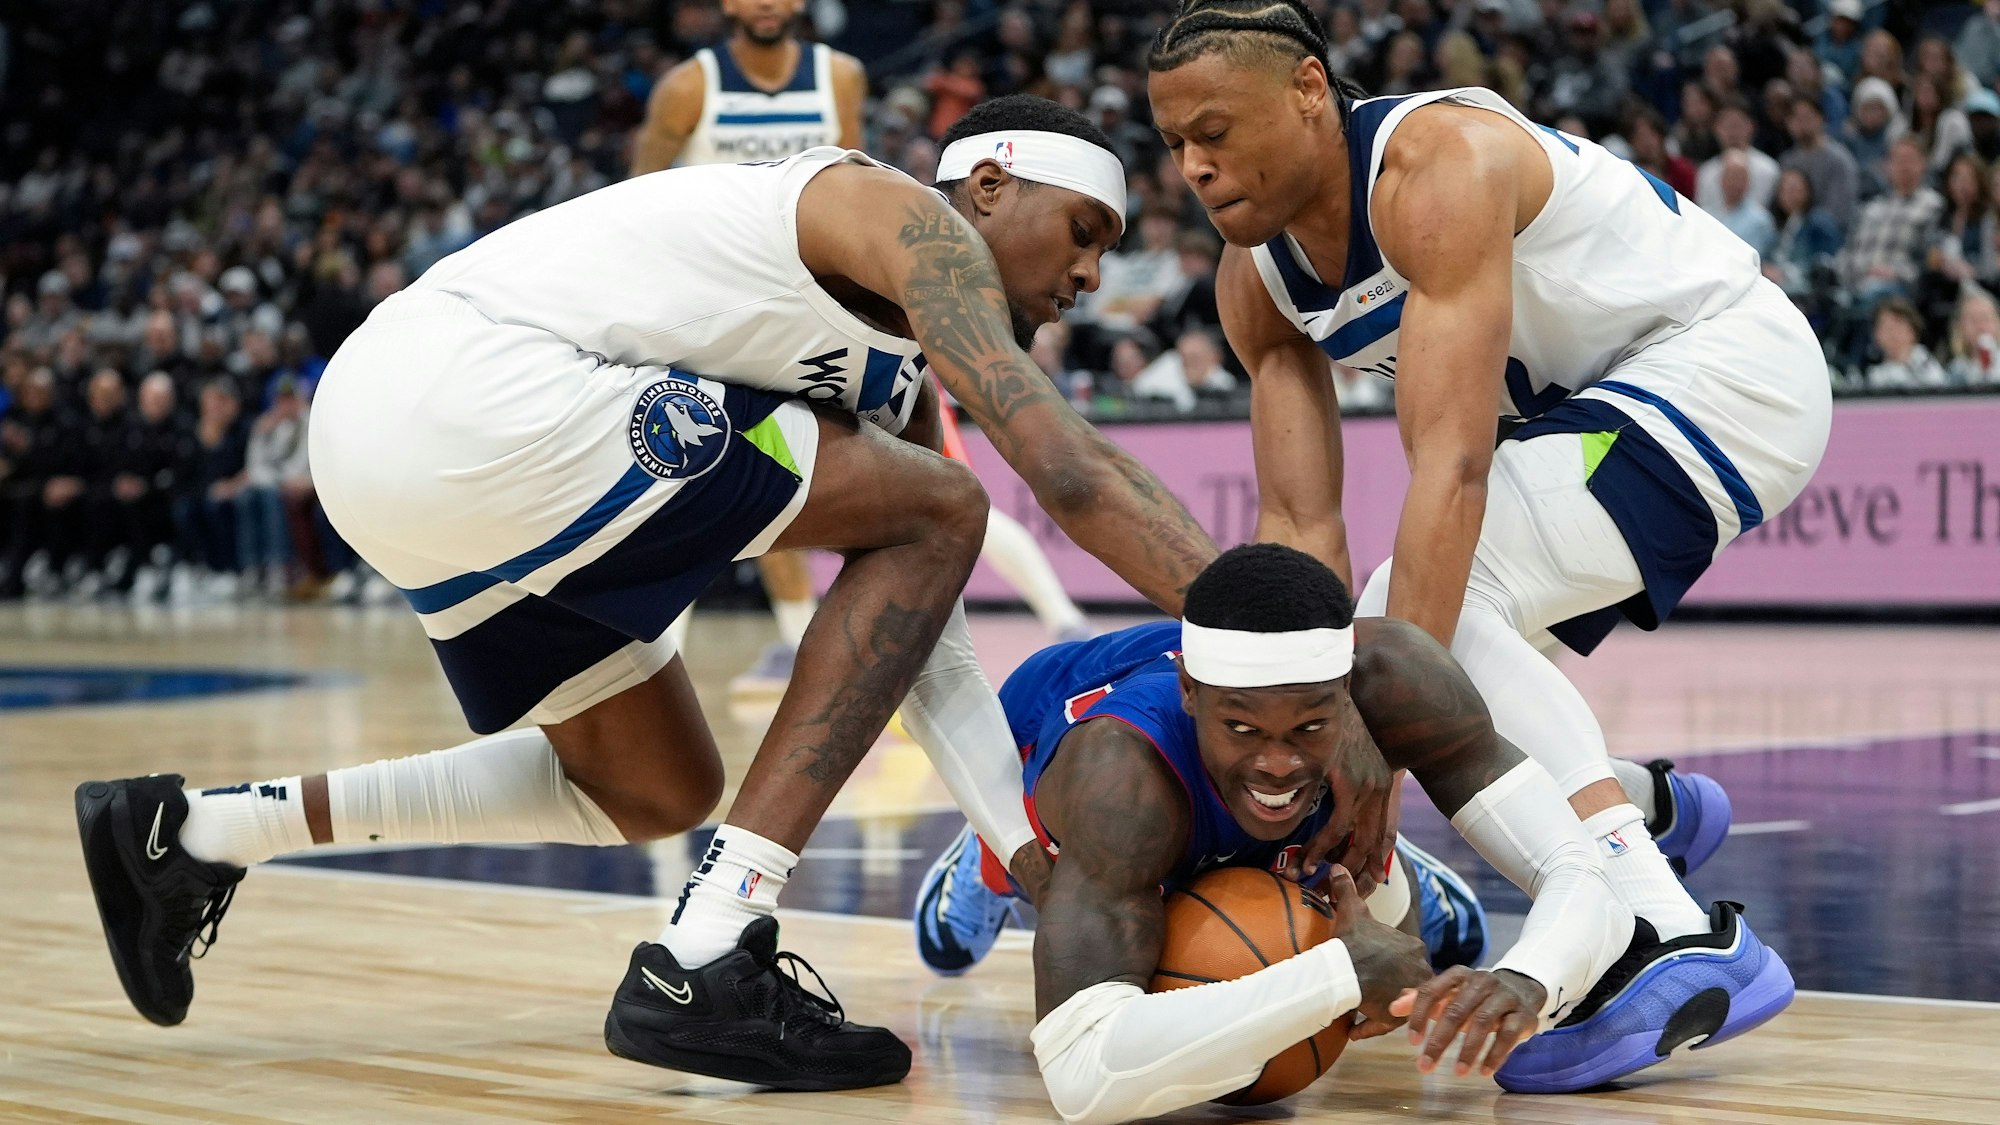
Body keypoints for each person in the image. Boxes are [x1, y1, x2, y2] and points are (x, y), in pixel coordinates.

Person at [73, 96, 1223, 1092]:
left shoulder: (902, 378)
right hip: (474, 388)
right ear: (985, 186)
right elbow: (1064, 469)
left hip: (392, 450)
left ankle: (197, 832)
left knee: (650, 782)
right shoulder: (899, 216)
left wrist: (1023, 852)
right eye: (1082, 233)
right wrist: (1285, 632)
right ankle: (709, 950)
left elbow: (930, 644)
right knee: (943, 506)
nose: (1088, 275)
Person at [1146, 0, 1824, 1091]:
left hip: (1719, 369)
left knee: (1411, 627)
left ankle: (1663, 931)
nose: (1193, 168)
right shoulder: (1253, 281)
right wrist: (1302, 718)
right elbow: (1297, 527)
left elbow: (1449, 468)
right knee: (1383, 651)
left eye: (1214, 133)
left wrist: (1374, 729)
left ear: (1309, 91)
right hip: (1585, 424)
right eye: (1175, 146)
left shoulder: (1437, 163)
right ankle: (1637, 807)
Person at [916, 545, 1692, 1123]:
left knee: (1379, 917)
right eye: (1243, 727)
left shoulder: (1398, 675)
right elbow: (1082, 1076)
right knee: (1091, 902)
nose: (1277, 760)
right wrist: (1337, 975)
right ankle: (984, 866)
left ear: (1349, 694)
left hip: (1237, 780)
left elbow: (1581, 868)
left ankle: (1385, 869)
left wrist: (1527, 979)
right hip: (1057, 781)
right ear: (1191, 691)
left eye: (1312, 724)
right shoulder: (1118, 783)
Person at [626, 0, 870, 695]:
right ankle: (655, 675)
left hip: (812, 312)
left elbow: (857, 184)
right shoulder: (689, 86)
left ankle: (814, 656)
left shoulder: (841, 77)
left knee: (784, 487)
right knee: (690, 487)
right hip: (709, 317)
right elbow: (637, 204)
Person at [1863, 297, 1950, 389]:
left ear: (1913, 331)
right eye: (1887, 328)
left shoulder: (1926, 362)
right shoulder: (1875, 376)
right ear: (1876, 335)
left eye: (1899, 326)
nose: (1893, 334)